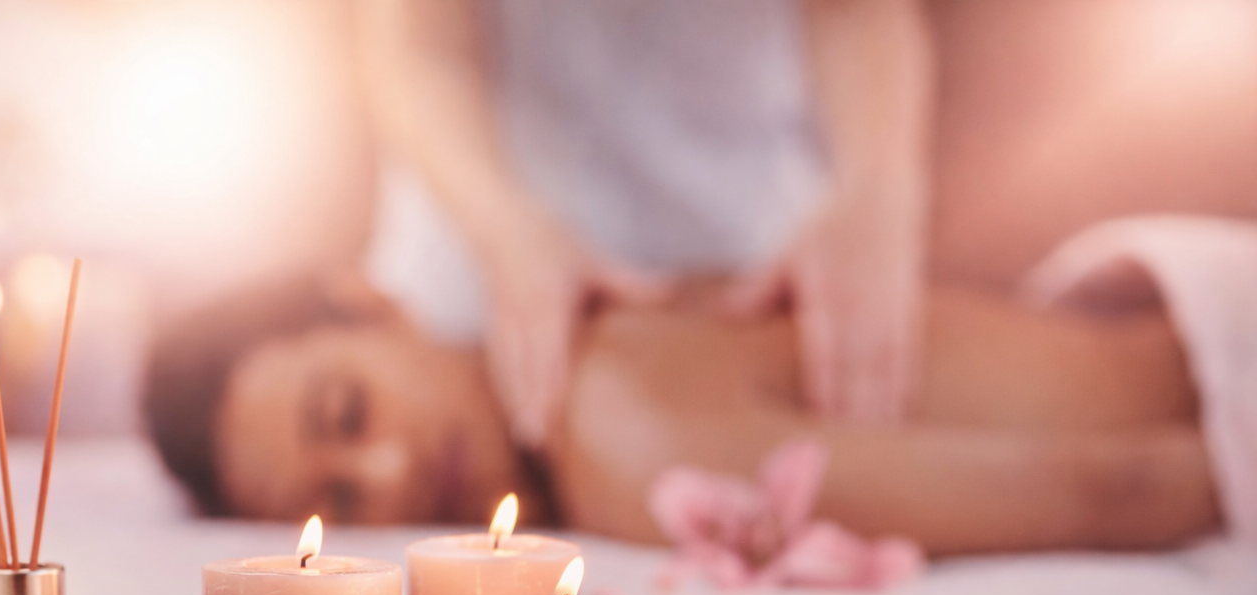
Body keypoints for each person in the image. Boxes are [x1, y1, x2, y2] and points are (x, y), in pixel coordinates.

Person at [143, 275, 1216, 556]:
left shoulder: (617, 430)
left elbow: (1114, 491)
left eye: (347, 409)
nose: (385, 475)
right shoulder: (607, 366)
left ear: (375, 300)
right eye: (336, 501)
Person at [357, 0, 933, 446]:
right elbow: (420, 48)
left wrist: (877, 187)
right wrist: (506, 232)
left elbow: (854, 11)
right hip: (490, 268)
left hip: (756, 276)